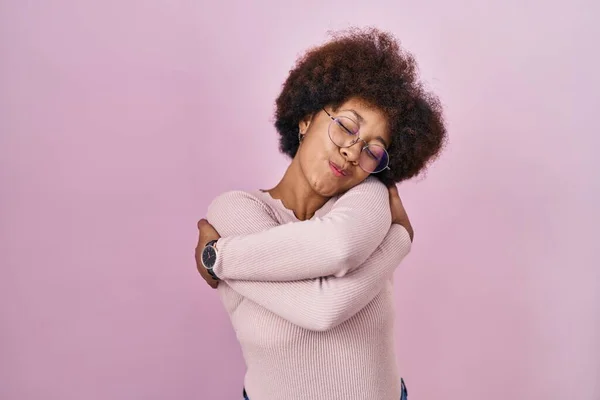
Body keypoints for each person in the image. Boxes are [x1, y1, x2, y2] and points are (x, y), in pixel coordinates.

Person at [194, 28, 446, 400]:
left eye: (373, 150)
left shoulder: (369, 196)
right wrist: (398, 240)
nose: (352, 152)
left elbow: (338, 254)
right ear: (306, 119)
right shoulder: (236, 209)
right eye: (346, 126)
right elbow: (322, 307)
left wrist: (216, 259)